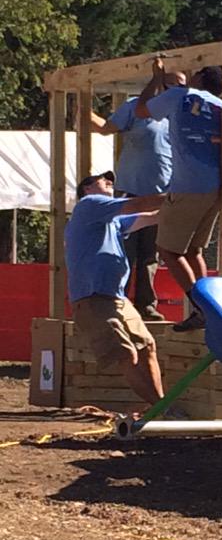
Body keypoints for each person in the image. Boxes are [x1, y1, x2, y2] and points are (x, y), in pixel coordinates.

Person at [136, 58, 222, 333]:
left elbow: (142, 110)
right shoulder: (221, 106)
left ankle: (202, 307)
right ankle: (215, 307)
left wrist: (156, 80)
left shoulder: (180, 96)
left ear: (200, 78)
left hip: (187, 185)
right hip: (215, 187)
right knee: (193, 251)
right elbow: (219, 139)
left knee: (168, 249)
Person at [88, 70, 187, 321]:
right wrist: (80, 108)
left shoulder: (181, 115)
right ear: (161, 86)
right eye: (174, 85)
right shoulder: (136, 108)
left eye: (183, 86)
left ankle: (146, 305)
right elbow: (106, 128)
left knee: (150, 255)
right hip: (130, 192)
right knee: (124, 251)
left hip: (162, 195)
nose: (179, 91)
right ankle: (117, 302)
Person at [65, 172, 166, 409]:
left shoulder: (112, 222)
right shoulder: (89, 205)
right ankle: (162, 409)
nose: (110, 181)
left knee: (147, 346)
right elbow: (140, 203)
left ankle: (162, 408)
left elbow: (152, 216)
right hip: (94, 299)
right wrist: (179, 196)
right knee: (126, 355)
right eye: (102, 180)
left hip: (117, 299)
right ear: (87, 189)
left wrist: (190, 206)